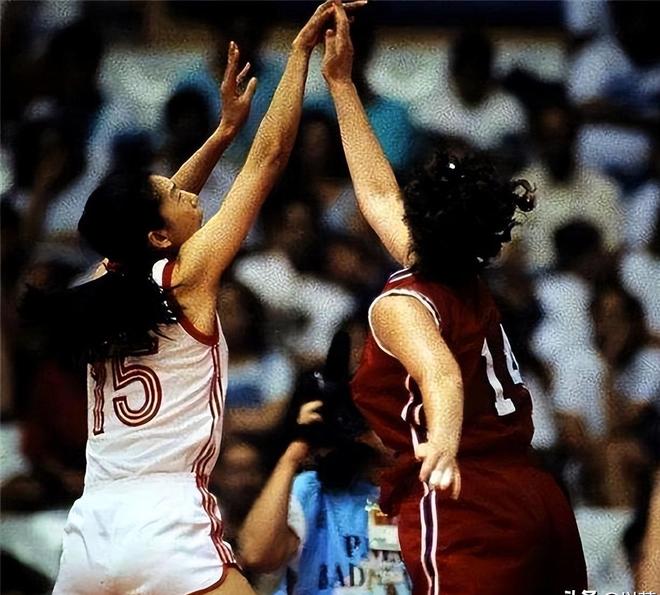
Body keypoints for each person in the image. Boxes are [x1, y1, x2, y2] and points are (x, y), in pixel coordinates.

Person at [23, 3, 365, 594]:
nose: (187, 191)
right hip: (168, 517)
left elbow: (152, 215)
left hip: (92, 527)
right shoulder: (188, 278)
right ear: (157, 236)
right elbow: (268, 159)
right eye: (172, 193)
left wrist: (224, 130)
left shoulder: (105, 280)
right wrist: (298, 54)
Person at [321, 4, 587, 594]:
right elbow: (377, 192)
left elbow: (440, 373)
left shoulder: (401, 306)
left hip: (466, 499)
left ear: (419, 221)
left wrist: (441, 445)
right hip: (538, 496)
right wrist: (341, 83)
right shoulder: (462, 274)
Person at [238, 331, 411, 594]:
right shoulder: (315, 490)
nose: (387, 429)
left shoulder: (428, 498)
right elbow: (256, 555)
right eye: (374, 416)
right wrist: (295, 452)